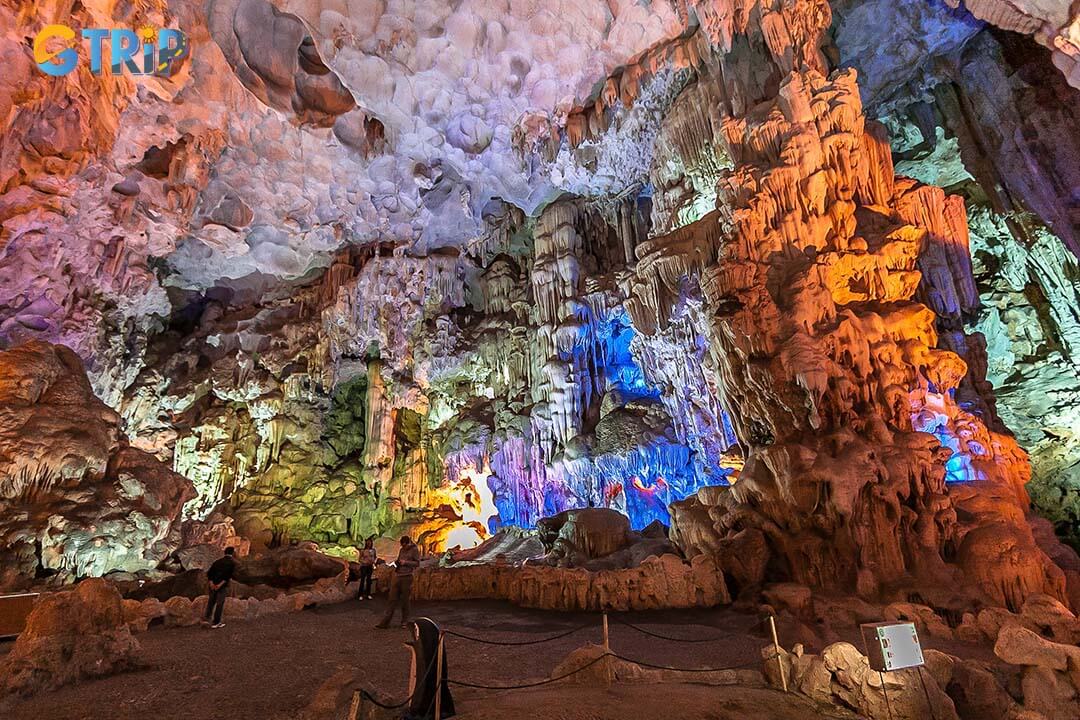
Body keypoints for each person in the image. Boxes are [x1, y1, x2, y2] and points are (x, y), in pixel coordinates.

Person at [376, 535, 420, 628]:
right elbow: (399, 559)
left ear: (408, 543)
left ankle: (405, 621)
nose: (403, 547)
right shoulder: (401, 550)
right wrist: (398, 562)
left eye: (404, 545)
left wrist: (406, 562)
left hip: (407, 576)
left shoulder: (414, 550)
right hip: (398, 575)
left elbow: (417, 563)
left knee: (405, 600)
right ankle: (385, 622)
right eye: (402, 545)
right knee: (391, 599)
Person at [203, 547, 237, 629]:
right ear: (232, 553)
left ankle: (206, 619)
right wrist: (219, 585)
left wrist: (211, 583)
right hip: (221, 586)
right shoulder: (232, 563)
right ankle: (216, 622)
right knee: (220, 603)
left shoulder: (217, 562)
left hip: (213, 584)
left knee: (211, 602)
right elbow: (227, 576)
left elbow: (210, 573)